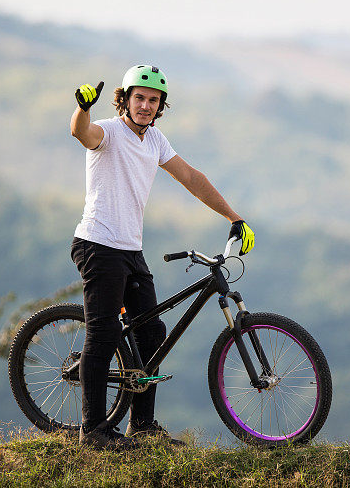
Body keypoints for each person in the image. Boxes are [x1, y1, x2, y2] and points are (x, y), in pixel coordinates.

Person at [69, 65, 255, 449]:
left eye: (153, 101)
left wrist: (234, 217)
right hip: (98, 246)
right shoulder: (109, 130)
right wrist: (83, 109)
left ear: (160, 106)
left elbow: (190, 177)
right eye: (139, 97)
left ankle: (142, 425)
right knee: (102, 334)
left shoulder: (154, 141)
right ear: (125, 98)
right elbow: (82, 133)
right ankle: (94, 431)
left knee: (151, 331)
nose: (146, 106)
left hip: (130, 250)